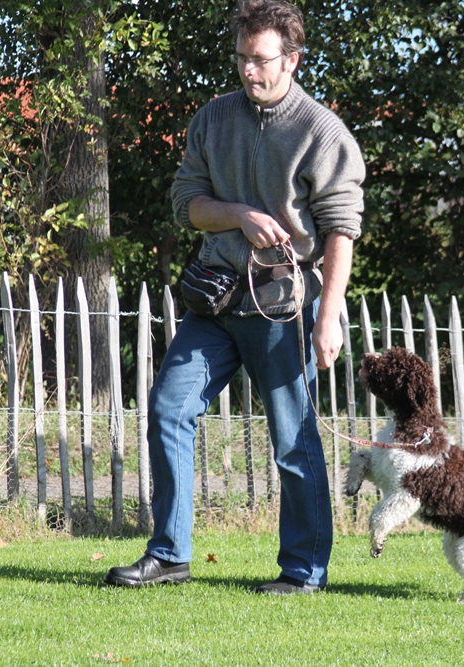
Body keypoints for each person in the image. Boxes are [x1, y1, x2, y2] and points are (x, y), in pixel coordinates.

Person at [104, 0, 365, 595]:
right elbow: (187, 204)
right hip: (216, 302)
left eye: (260, 59)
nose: (249, 70)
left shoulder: (322, 132)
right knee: (169, 408)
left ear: (291, 60)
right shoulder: (213, 118)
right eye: (242, 58)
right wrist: (240, 215)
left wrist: (328, 318)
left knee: (293, 442)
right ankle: (169, 554)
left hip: (284, 309)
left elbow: (341, 231)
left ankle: (304, 571)